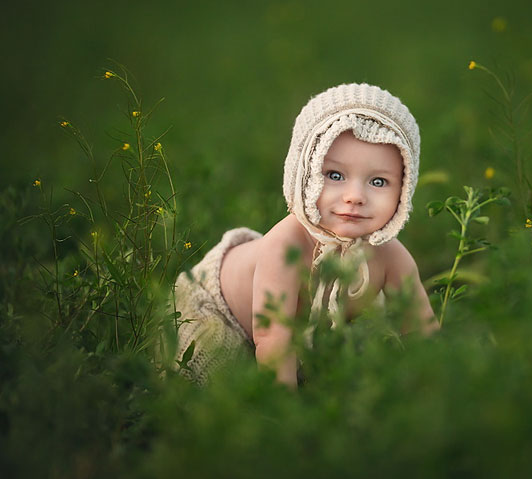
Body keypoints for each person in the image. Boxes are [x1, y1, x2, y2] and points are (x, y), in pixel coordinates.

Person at [170, 83, 438, 387]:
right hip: (218, 313)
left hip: (295, 335)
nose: (355, 196)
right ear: (303, 174)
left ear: (404, 189)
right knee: (210, 390)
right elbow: (273, 338)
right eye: (334, 176)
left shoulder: (391, 256)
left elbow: (421, 330)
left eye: (378, 182)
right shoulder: (286, 246)